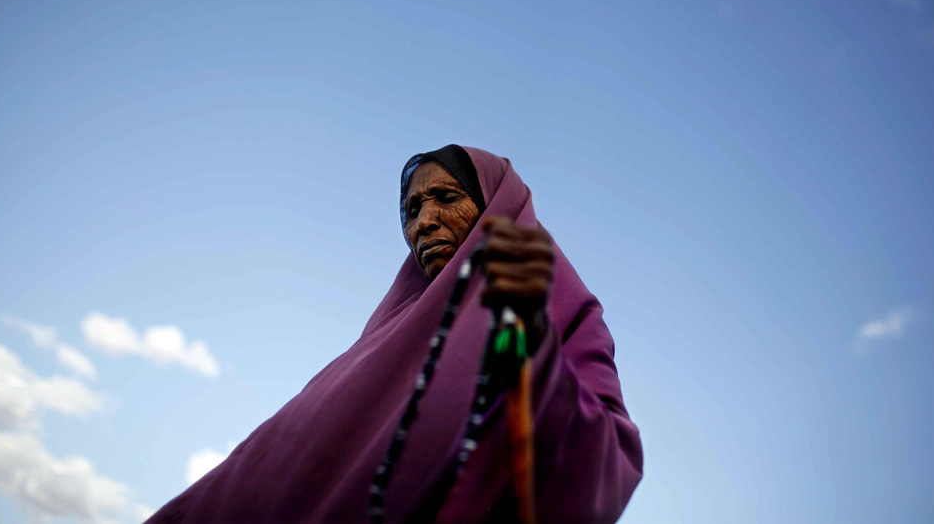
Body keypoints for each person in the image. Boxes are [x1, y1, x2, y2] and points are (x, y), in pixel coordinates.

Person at [147, 145, 643, 523]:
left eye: (446, 198)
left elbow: (605, 471)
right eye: (410, 211)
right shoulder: (388, 333)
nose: (424, 222)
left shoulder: (565, 312)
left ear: (498, 206)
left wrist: (531, 345)